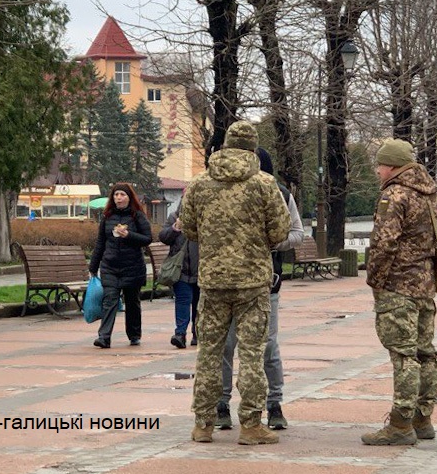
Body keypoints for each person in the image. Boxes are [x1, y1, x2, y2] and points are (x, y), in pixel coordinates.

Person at [179, 121, 290, 446]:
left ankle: (203, 424)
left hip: (213, 281)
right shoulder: (265, 185)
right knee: (253, 354)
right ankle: (252, 425)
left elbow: (187, 227)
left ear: (226, 146)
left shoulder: (199, 184)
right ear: (253, 149)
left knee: (210, 353)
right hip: (253, 283)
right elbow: (280, 231)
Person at [361, 139, 437, 446]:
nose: (378, 171)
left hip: (397, 286)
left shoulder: (394, 195)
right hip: (425, 285)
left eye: (380, 165)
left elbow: (384, 243)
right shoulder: (433, 195)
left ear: (393, 166)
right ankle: (423, 419)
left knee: (403, 355)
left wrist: (376, 281)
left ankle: (400, 424)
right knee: (426, 353)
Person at [215, 147, 304, 431]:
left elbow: (297, 233)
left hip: (266, 284)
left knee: (267, 347)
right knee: (226, 346)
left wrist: (270, 243)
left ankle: (274, 404)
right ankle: (221, 405)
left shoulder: (279, 193)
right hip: (227, 282)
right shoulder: (222, 190)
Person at [89, 183, 152, 348]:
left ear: (129, 197)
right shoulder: (107, 217)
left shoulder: (137, 216)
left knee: (132, 302)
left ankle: (134, 334)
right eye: (116, 195)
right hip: (110, 266)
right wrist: (93, 267)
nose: (119, 198)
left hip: (132, 266)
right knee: (109, 300)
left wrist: (129, 235)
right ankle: (104, 337)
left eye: (122, 195)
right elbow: (100, 243)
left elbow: (147, 238)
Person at [159, 201, 199, 349]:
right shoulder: (174, 217)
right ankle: (180, 334)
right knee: (183, 300)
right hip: (180, 269)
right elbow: (163, 236)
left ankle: (197, 333)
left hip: (200, 269)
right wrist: (175, 228)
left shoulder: (205, 218)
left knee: (198, 303)